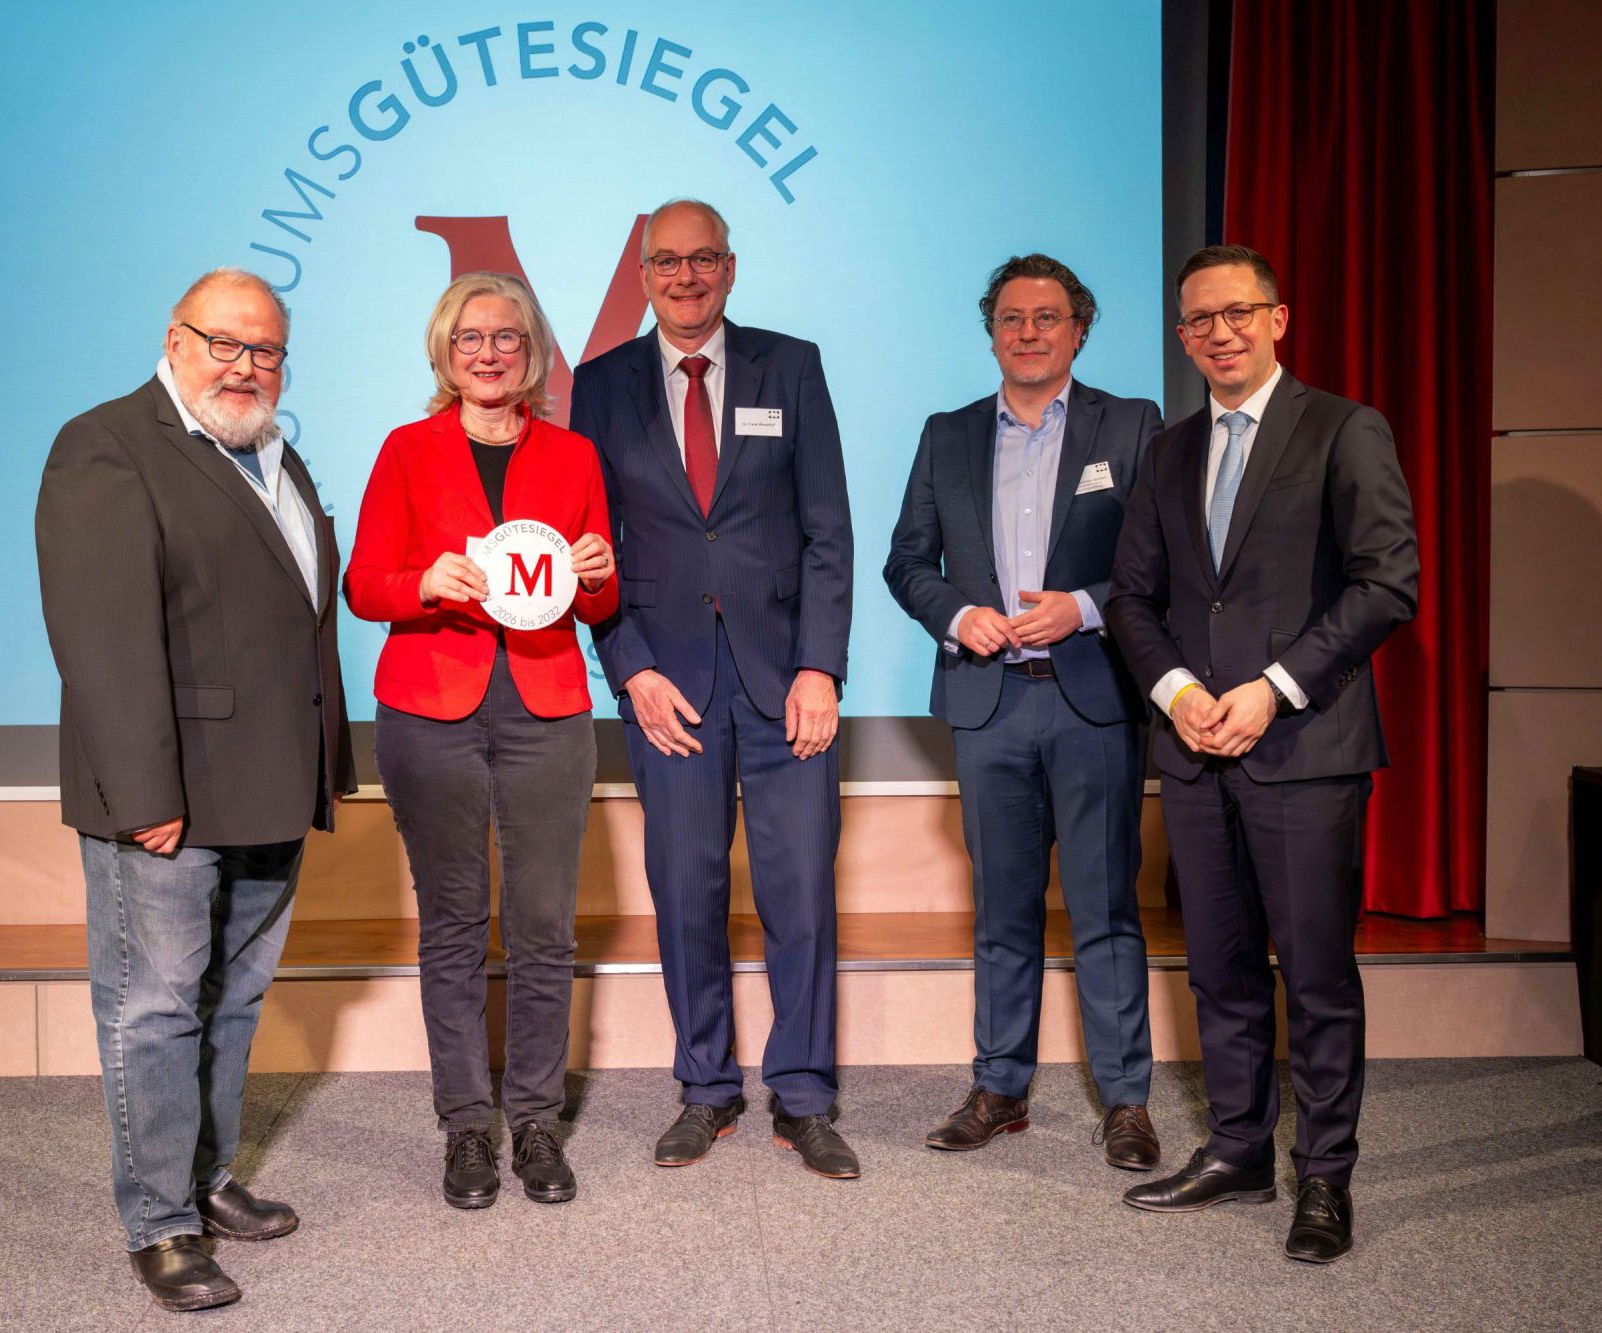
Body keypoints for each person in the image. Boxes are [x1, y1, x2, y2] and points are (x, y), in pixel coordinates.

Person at [35, 267, 356, 1311]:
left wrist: (323, 760)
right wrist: (140, 793)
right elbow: (103, 637)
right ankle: (159, 1222)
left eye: (264, 349)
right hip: (167, 795)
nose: (245, 365)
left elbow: (292, 615)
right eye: (225, 343)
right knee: (154, 1010)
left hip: (268, 782)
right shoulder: (107, 444)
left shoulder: (271, 447)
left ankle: (204, 1181)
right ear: (174, 340)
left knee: (232, 1002)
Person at [1106, 245, 1418, 1263]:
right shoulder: (1166, 451)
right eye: (1198, 320)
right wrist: (1178, 692)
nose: (1218, 333)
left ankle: (1322, 1176)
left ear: (1277, 318)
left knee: (1316, 975)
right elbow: (1133, 601)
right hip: (1197, 749)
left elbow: (1383, 583)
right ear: (1182, 335)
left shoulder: (1342, 428)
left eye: (1238, 312)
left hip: (1304, 745)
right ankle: (1238, 1147)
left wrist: (1271, 687)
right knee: (1221, 971)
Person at [570, 199, 859, 1178]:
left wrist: (820, 664)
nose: (684, 277)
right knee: (684, 889)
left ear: (729, 268)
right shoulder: (598, 384)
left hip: (787, 684)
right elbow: (590, 551)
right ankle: (703, 1087)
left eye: (702, 260)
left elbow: (828, 529)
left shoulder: (792, 364)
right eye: (665, 262)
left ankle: (806, 1093)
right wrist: (630, 667)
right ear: (642, 274)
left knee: (800, 891)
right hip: (667, 684)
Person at [343, 273, 618, 1210]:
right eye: (470, 338)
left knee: (544, 924)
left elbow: (600, 599)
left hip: (546, 706)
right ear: (444, 353)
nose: (489, 352)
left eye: (506, 337)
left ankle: (536, 1116)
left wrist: (598, 570)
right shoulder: (408, 449)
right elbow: (366, 584)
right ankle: (466, 1125)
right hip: (429, 710)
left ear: (531, 352)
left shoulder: (575, 455)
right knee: (454, 922)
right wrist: (426, 582)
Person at [883, 254, 1163, 1168]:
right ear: (992, 332)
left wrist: (1080, 606)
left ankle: (1125, 1100)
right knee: (1001, 908)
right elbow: (907, 561)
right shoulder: (948, 432)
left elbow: (1158, 558)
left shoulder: (1131, 425)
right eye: (1012, 318)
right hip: (989, 703)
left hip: (1091, 701)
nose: (1029, 332)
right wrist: (960, 616)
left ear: (1079, 329)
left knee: (1105, 908)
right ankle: (1000, 1086)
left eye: (1048, 317)